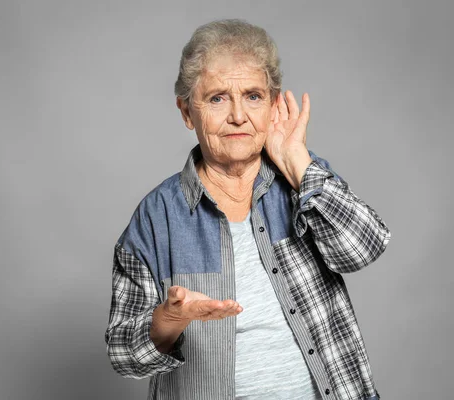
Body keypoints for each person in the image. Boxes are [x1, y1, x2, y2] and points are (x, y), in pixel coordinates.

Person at [105, 19, 391, 400]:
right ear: (187, 111)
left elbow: (364, 248)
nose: (238, 115)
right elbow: (124, 356)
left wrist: (298, 163)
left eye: (253, 96)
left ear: (273, 106)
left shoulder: (302, 179)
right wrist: (170, 319)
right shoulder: (157, 217)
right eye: (217, 98)